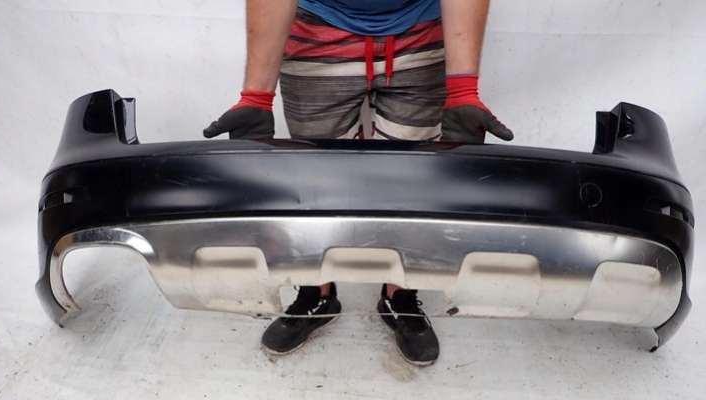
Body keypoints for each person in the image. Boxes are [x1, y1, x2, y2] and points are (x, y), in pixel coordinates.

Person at [204, 0, 513, 366]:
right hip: (317, 31)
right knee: (314, 183)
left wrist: (462, 91)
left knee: (411, 182)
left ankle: (399, 296)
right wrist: (256, 95)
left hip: (421, 32)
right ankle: (316, 294)